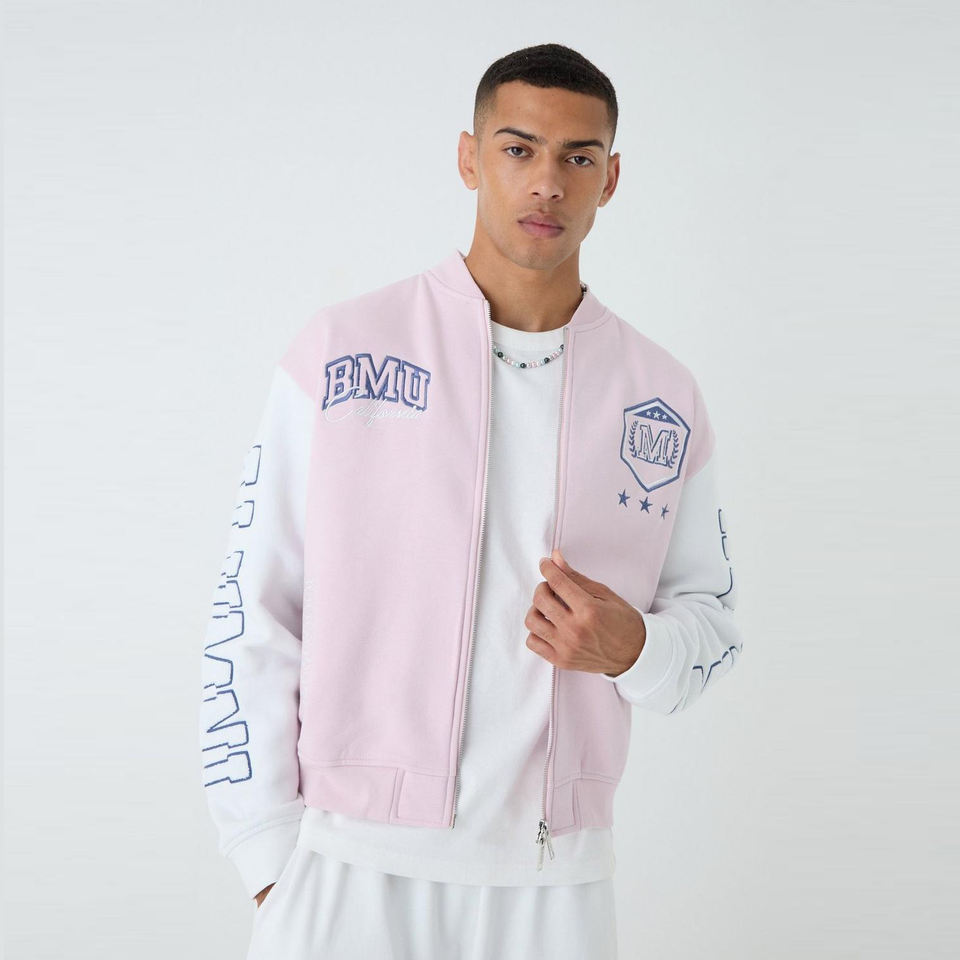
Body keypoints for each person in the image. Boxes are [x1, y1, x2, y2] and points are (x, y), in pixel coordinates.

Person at [198, 42, 744, 960]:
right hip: (348, 870)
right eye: (518, 149)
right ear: (469, 157)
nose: (547, 183)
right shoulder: (342, 352)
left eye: (578, 158)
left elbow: (714, 629)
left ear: (610, 180)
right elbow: (252, 609)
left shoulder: (661, 396)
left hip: (554, 887)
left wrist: (635, 649)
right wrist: (266, 853)